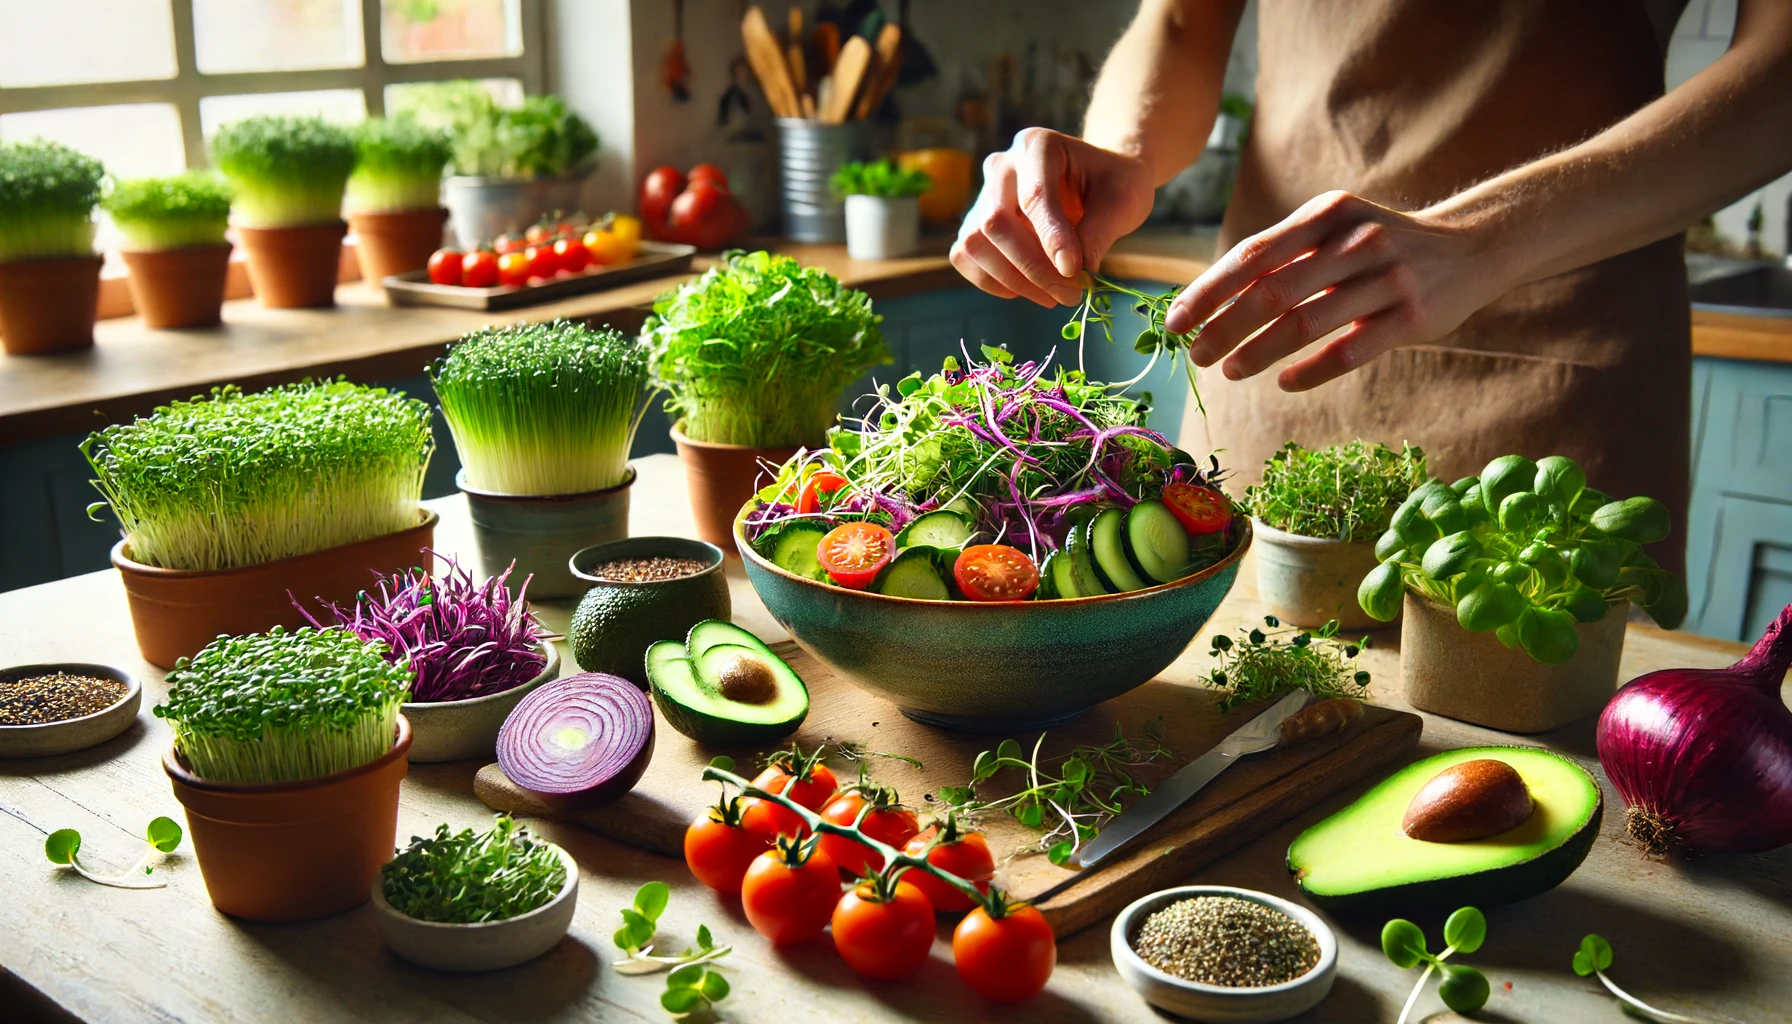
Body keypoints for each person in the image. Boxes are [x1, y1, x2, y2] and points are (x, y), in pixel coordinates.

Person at [950, 0, 1792, 574]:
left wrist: (1485, 238)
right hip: (1275, 339)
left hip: (1560, 355)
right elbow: (1180, 22)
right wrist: (1126, 153)